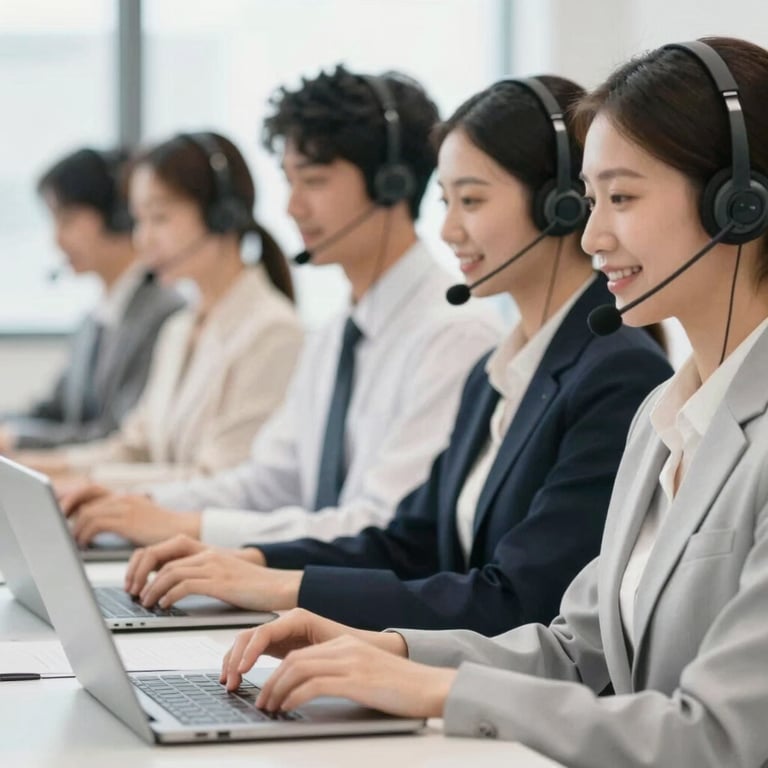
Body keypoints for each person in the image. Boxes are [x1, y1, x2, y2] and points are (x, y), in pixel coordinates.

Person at [214, 38, 768, 767]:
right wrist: (390, 650)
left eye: (623, 198)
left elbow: (719, 738)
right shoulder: (665, 416)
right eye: (592, 200)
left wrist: (440, 694)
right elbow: (578, 650)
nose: (594, 235)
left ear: (739, 202)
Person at [122, 76, 671, 635]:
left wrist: (284, 587)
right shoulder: (499, 376)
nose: (449, 229)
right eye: (446, 202)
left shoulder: (615, 374)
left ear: (557, 205)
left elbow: (520, 600)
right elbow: (411, 540)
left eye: (472, 200)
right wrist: (253, 562)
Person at [58, 67, 502, 548]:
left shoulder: (453, 335)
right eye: (289, 182)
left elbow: (381, 527)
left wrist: (190, 527)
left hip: (360, 609)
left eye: (313, 180)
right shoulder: (335, 334)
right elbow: (270, 482)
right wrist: (138, 506)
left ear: (390, 183)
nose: (291, 207)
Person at [19, 132, 302, 503]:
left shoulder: (273, 331)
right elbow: (134, 446)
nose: (143, 239)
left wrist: (95, 487)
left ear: (222, 216)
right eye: (139, 220)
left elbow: (221, 477)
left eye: (160, 217)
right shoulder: (179, 328)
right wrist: (36, 468)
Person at [0, 147, 184, 451]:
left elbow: (117, 436)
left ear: (118, 217)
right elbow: (55, 411)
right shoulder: (96, 318)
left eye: (67, 220)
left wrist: (18, 439)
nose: (57, 240)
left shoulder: (165, 314)